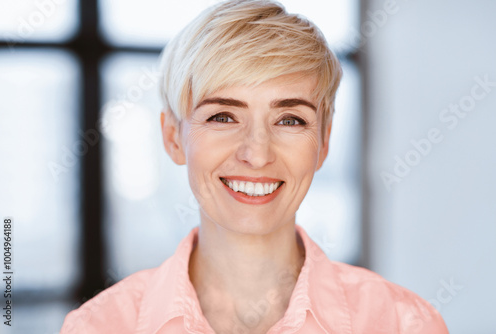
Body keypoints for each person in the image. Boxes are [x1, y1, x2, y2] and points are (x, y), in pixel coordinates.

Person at [60, 0, 449, 333]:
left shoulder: (402, 323)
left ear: (324, 142)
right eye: (224, 117)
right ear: (173, 137)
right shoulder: (100, 326)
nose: (257, 154)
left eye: (290, 120)